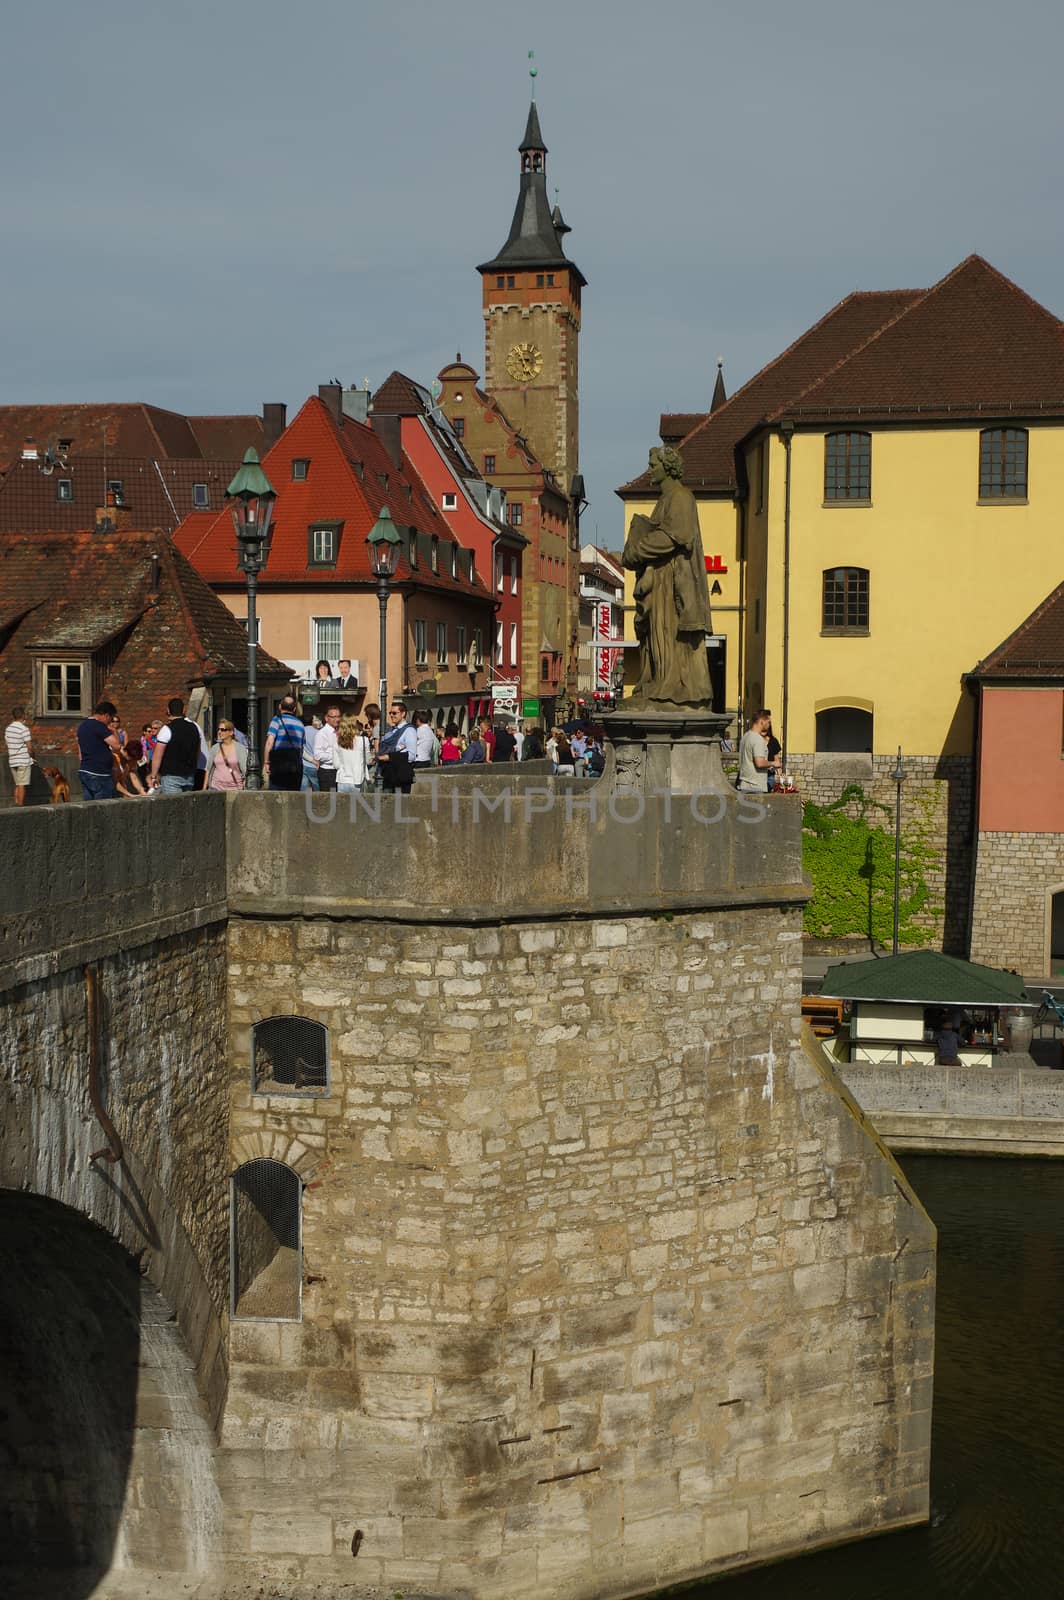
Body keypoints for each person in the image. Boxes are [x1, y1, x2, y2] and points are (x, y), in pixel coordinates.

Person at [622, 444, 713, 706]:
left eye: (654, 465)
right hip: (659, 582)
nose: (650, 469)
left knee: (669, 636)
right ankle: (658, 683)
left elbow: (676, 535)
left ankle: (672, 688)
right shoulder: (665, 500)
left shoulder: (681, 497)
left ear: (668, 468)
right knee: (656, 637)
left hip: (672, 583)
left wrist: (638, 550)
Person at [150, 698, 206, 795]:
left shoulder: (166, 729)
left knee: (173, 808)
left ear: (168, 710)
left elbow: (157, 755)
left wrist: (154, 776)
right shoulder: (194, 727)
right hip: (189, 775)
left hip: (171, 776)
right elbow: (198, 751)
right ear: (184, 709)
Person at [77, 700, 122, 800]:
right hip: (99, 773)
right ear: (106, 715)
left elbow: (79, 752)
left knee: (89, 808)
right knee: (103, 809)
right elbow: (117, 746)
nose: (110, 723)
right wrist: (114, 731)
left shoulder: (82, 726)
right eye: (110, 719)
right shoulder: (99, 726)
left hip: (85, 770)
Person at [263, 695, 306, 791]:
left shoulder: (276, 720)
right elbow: (301, 748)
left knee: (276, 796)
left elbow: (270, 742)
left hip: (278, 764)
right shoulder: (300, 724)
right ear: (294, 709)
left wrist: (266, 762)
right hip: (295, 766)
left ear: (280, 706)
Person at [377, 700, 417, 793]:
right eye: (390, 713)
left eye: (394, 713)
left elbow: (411, 756)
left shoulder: (409, 731)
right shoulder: (392, 731)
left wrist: (390, 757)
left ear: (403, 714)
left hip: (401, 776)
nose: (391, 715)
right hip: (389, 774)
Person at [737, 709, 779, 794]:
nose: (769, 725)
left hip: (744, 783)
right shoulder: (758, 739)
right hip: (754, 785)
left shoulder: (746, 736)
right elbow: (759, 763)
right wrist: (773, 763)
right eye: (768, 722)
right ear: (762, 722)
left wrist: (768, 766)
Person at [335, 715, 372, 792]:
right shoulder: (364, 740)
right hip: (358, 779)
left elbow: (336, 765)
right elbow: (368, 761)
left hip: (342, 780)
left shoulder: (336, 742)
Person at [5, 706, 33, 806]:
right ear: (23, 716)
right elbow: (29, 747)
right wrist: (32, 756)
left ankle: (16, 803)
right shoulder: (24, 729)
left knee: (17, 784)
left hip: (12, 760)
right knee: (22, 784)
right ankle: (20, 806)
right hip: (23, 761)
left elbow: (8, 744)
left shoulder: (8, 729)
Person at [206, 721, 247, 790]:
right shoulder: (215, 748)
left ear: (231, 732)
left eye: (223, 730)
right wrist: (205, 788)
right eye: (218, 729)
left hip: (235, 789)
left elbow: (245, 771)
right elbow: (208, 769)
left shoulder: (240, 748)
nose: (219, 732)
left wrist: (244, 786)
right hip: (216, 787)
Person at [314, 704, 342, 791]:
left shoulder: (339, 731)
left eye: (338, 716)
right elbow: (318, 755)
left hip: (339, 772)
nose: (337, 719)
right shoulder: (322, 733)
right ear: (326, 718)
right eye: (333, 717)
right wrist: (335, 757)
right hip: (327, 772)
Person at [301, 712, 320, 791]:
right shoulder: (318, 732)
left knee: (303, 788)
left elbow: (300, 748)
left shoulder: (301, 732)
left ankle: (303, 802)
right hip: (315, 765)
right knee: (317, 788)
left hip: (303, 763)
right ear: (312, 721)